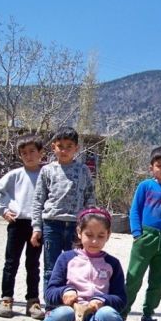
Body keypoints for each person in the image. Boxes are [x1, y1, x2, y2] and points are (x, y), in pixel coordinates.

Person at [4, 208, 142, 321]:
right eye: (89, 235)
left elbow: (121, 299)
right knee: (60, 313)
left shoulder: (112, 264)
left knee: (110, 314)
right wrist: (65, 292)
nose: (94, 241)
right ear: (79, 232)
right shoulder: (67, 259)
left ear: (108, 234)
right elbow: (50, 292)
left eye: (100, 236)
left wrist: (103, 300)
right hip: (70, 319)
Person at [121, 146, 161, 321]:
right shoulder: (145, 186)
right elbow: (135, 210)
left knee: (158, 282)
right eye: (159, 165)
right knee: (133, 277)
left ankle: (147, 315)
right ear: (151, 167)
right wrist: (137, 234)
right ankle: (121, 313)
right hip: (146, 238)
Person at [31, 126, 95, 295]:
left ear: (76, 148)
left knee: (74, 267)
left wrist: (88, 227)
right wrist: (37, 227)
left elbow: (90, 199)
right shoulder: (47, 170)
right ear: (54, 147)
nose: (64, 150)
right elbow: (38, 200)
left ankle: (71, 303)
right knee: (51, 268)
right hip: (52, 225)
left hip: (76, 226)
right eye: (60, 146)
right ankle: (51, 305)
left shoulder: (83, 171)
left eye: (69, 146)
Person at [0, 134, 45, 320]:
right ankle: (6, 299)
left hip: (37, 225)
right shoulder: (15, 175)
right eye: (24, 153)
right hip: (17, 223)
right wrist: (4, 210)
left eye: (32, 151)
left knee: (33, 264)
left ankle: (33, 301)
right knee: (11, 262)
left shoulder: (46, 175)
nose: (28, 156)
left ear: (41, 153)